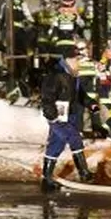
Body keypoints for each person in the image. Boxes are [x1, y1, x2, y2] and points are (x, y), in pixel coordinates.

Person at [40, 47, 99, 192]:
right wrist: (52, 116)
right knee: (75, 138)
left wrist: (91, 104)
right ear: (67, 60)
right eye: (76, 60)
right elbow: (47, 98)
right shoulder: (56, 75)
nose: (78, 63)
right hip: (58, 117)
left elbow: (80, 95)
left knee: (55, 145)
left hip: (69, 115)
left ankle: (46, 180)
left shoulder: (73, 76)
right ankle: (84, 173)